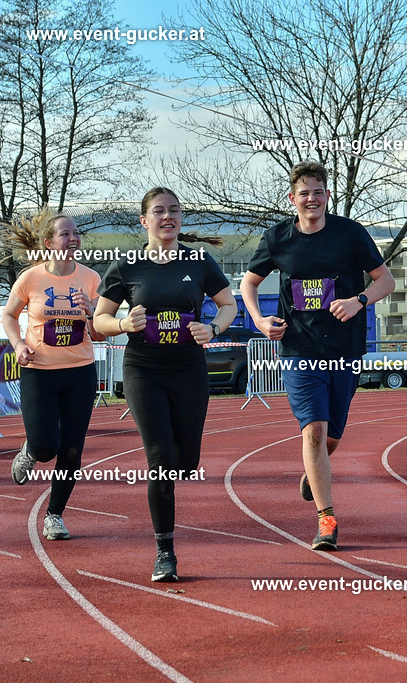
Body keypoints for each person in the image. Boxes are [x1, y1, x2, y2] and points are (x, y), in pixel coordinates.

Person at [240, 161, 394, 551]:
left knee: (332, 438)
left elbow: (386, 280)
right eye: (304, 193)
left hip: (344, 349)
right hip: (299, 349)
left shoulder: (350, 234)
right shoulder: (277, 238)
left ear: (328, 195)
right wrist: (259, 320)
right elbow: (248, 283)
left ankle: (314, 472)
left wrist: (359, 301)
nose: (312, 199)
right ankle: (327, 520)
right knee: (313, 431)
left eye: (318, 192)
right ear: (293, 198)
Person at [93, 187, 237, 582]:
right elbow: (99, 321)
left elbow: (228, 305)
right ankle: (165, 553)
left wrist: (213, 328)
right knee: (159, 459)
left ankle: (177, 478)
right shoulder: (127, 265)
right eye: (159, 211)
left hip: (188, 369)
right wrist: (123, 323)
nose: (167, 216)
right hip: (144, 369)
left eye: (174, 210)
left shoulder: (198, 261)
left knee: (185, 464)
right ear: (144, 220)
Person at [0, 207, 104, 541]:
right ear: (49, 242)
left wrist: (92, 314)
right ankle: (31, 452)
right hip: (39, 372)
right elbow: (9, 315)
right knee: (47, 446)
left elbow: (100, 333)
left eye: (76, 233)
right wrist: (18, 344)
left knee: (71, 449)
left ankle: (54, 515)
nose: (73, 239)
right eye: (65, 234)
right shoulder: (31, 278)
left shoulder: (91, 278)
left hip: (80, 372)